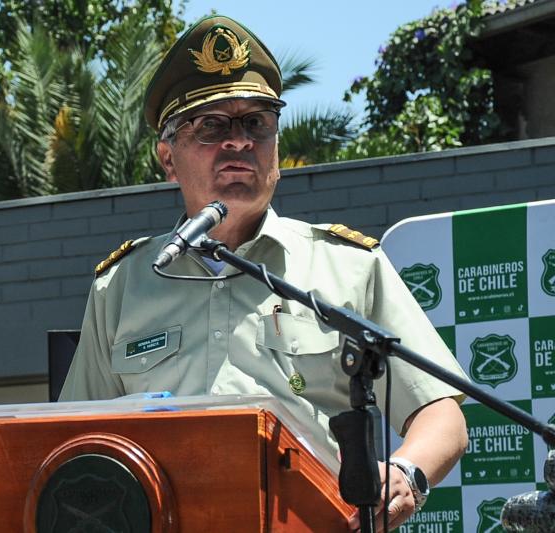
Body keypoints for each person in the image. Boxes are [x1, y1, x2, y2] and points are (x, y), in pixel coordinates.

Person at [60, 15, 468, 531]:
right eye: (211, 126)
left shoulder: (347, 266)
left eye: (256, 123)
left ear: (275, 147)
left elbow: (440, 413)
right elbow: (69, 436)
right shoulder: (119, 286)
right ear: (167, 157)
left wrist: (408, 473)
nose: (238, 142)